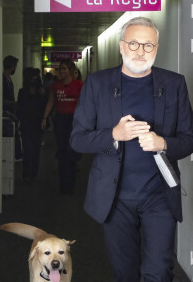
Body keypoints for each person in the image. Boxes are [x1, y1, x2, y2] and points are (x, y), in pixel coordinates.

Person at [70, 16, 193, 281]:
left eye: (148, 45)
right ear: (121, 46)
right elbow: (77, 139)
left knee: (158, 272)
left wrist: (163, 143)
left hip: (159, 196)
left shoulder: (174, 85)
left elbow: (189, 139)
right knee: (124, 273)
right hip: (115, 198)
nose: (140, 51)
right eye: (134, 44)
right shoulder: (98, 83)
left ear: (156, 48)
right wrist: (114, 134)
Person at [41, 59, 83, 194]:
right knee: (62, 151)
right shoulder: (55, 86)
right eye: (61, 69)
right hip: (60, 119)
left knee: (71, 151)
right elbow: (50, 102)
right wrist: (45, 117)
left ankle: (70, 182)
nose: (62, 71)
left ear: (70, 70)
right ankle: (63, 184)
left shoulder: (79, 85)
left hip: (74, 120)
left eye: (65, 69)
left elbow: (84, 104)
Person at [17, 68, 47, 184]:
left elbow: (45, 106)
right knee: (28, 150)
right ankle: (26, 174)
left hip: (37, 124)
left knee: (35, 150)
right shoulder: (22, 92)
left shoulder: (41, 93)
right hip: (26, 124)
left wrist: (43, 95)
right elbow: (20, 108)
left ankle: (33, 173)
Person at [2, 55, 22, 160]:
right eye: (15, 66)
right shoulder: (3, 79)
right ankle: (16, 156)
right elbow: (1, 99)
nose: (16, 68)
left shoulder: (8, 78)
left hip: (10, 111)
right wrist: (14, 103)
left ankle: (16, 155)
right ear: (12, 66)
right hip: (6, 112)